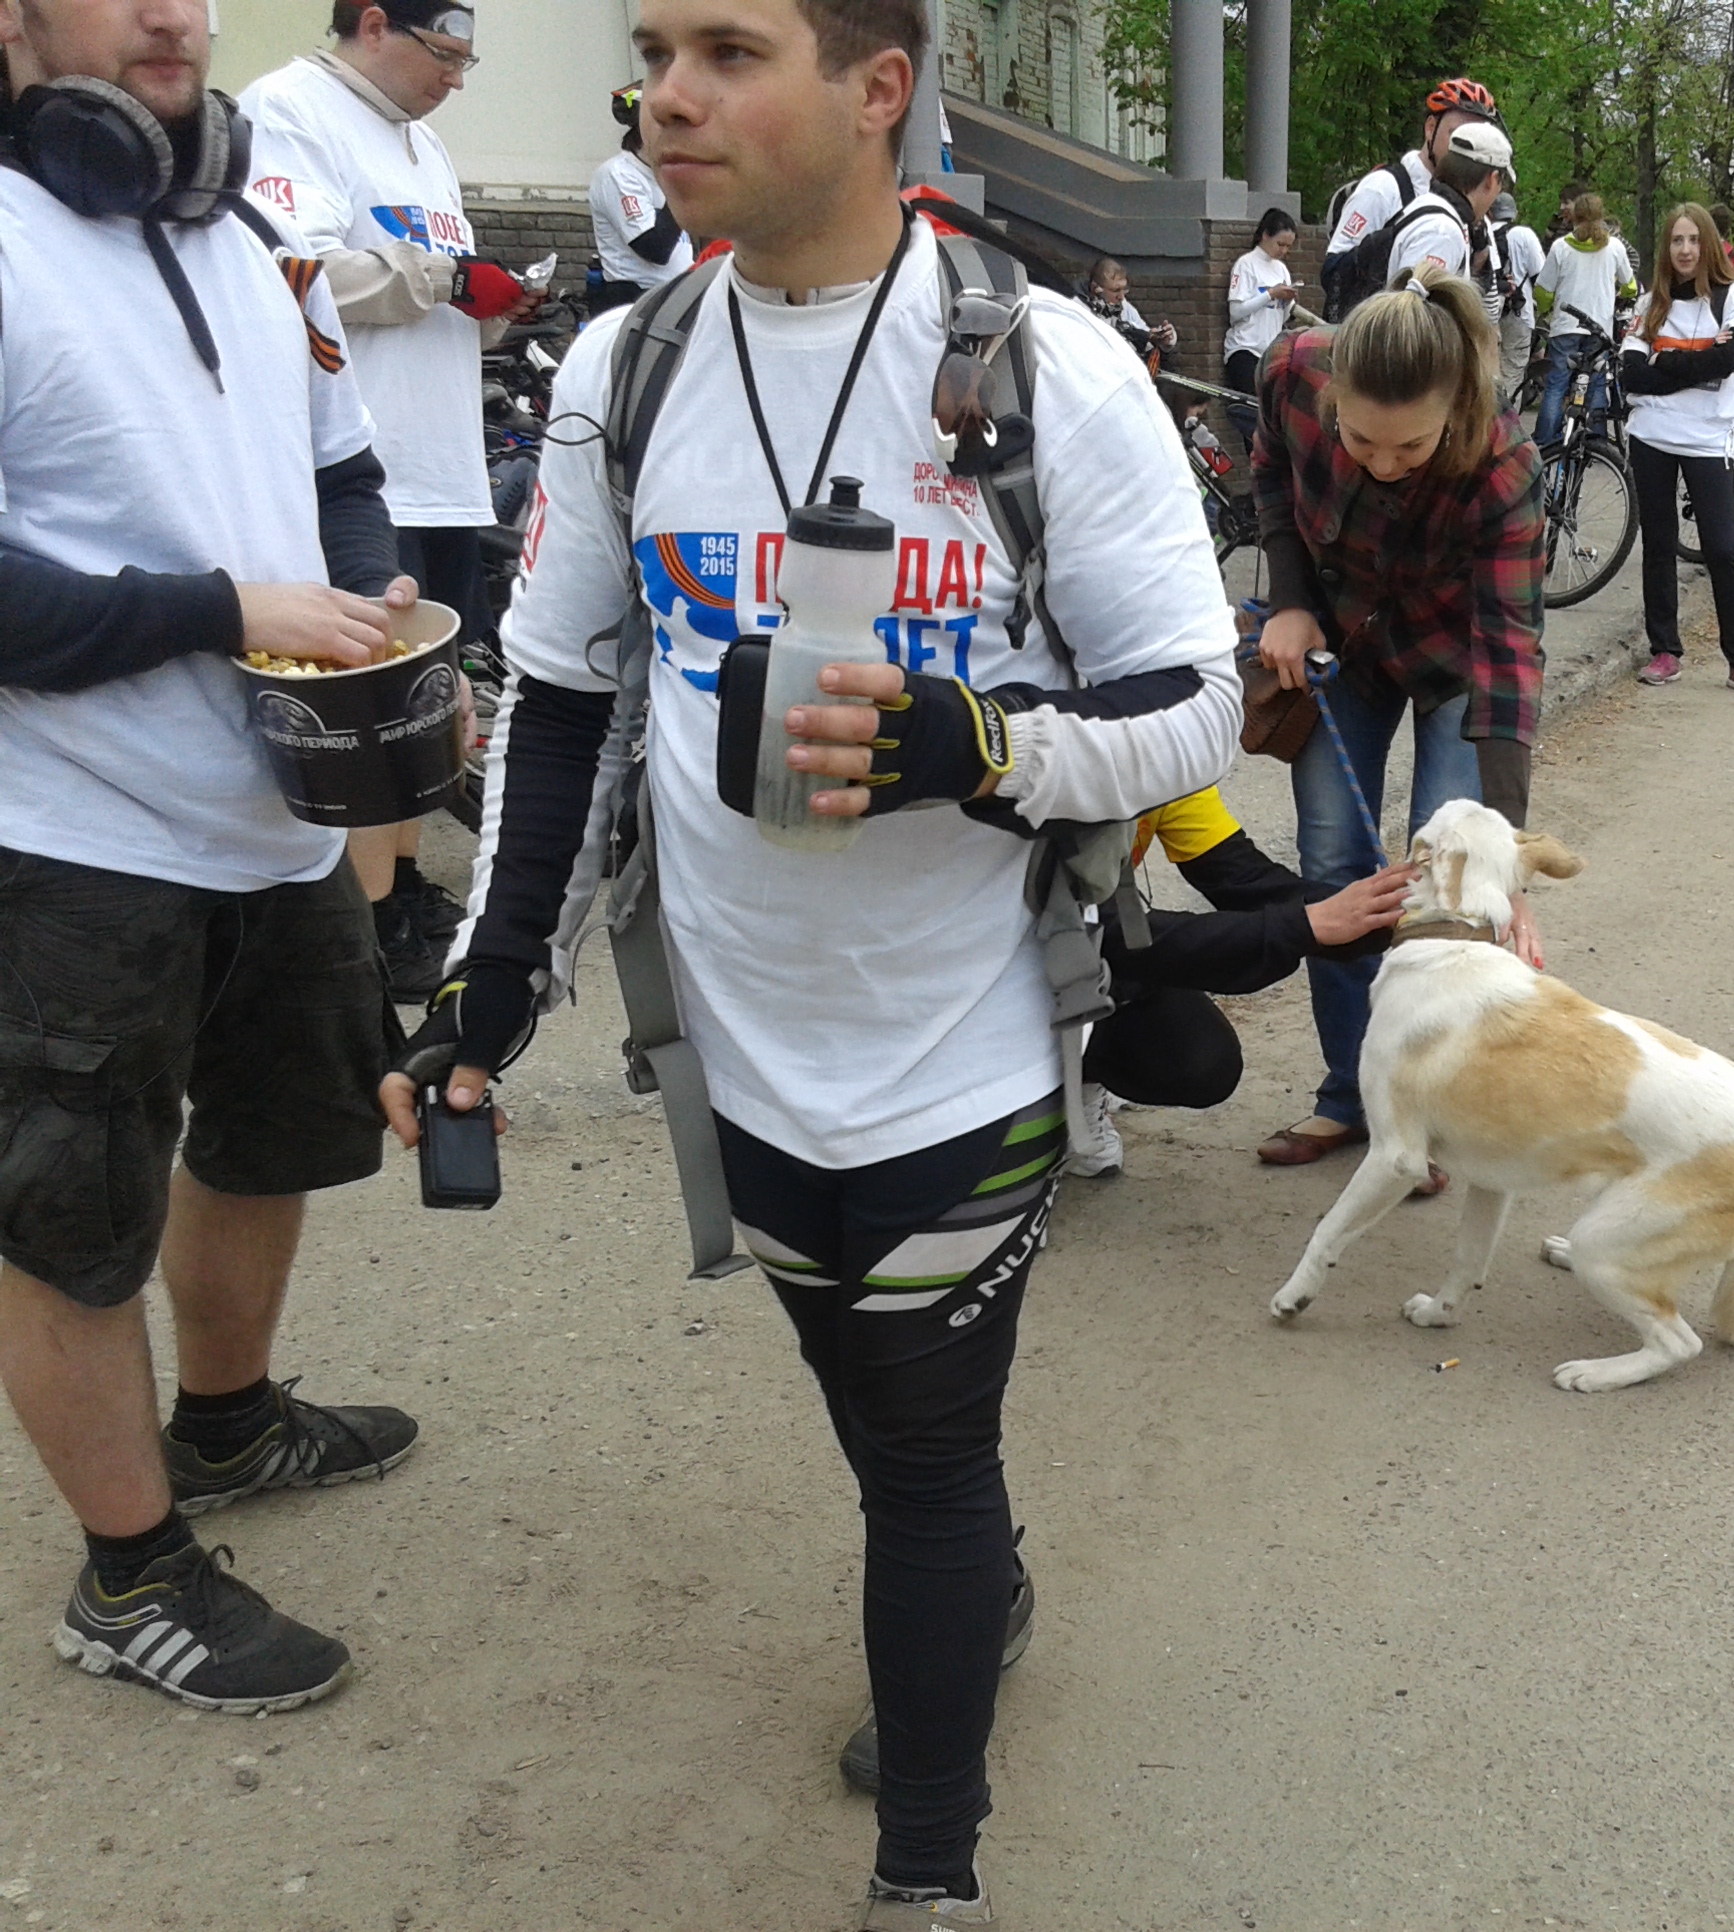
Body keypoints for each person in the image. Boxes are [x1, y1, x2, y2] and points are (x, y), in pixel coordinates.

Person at [375, 0, 1241, 1919]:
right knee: (871, 1395)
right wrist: (489, 985)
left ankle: (927, 1872)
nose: (665, 95)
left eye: (729, 50)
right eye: (654, 50)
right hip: (733, 1061)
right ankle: (977, 1578)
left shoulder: (1048, 367)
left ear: (875, 89)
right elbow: (566, 693)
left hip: (965, 1048)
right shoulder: (625, 366)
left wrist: (979, 745)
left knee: (922, 1449)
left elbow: (1196, 704)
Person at [1, 0, 424, 1719]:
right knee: (66, 1223)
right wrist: (222, 608)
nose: (175, 12)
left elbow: (344, 472)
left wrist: (376, 602)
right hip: (65, 835)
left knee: (275, 1136)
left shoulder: (243, 233)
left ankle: (230, 1426)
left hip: (271, 815)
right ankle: (130, 1576)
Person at [238, 0, 537, 1001]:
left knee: (425, 706)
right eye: (444, 54)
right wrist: (447, 280)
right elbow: (296, 273)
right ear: (373, 24)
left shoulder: (425, 145)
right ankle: (358, 929)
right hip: (364, 468)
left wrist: (494, 300)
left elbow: (439, 290)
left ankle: (402, 887)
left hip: (442, 464)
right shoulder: (289, 110)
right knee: (362, 710)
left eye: (467, 62)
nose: (455, 78)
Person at [1247, 271, 1545, 1172]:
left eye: (1410, 446)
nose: (1381, 463)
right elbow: (1271, 475)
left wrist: (1506, 859)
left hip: (1457, 661)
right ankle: (1354, 1097)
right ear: (1331, 394)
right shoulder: (1291, 371)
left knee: (1444, 885)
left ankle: (1432, 1113)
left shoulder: (1504, 464)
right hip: (1342, 645)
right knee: (1335, 863)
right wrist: (1289, 600)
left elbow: (1509, 656)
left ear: (1454, 412)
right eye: (1359, 439)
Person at [1070, 790, 1414, 1174]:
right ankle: (1032, 1096)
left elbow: (1241, 877)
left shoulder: (1161, 770)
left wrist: (1381, 918)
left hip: (1081, 944)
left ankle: (1079, 1080)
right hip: (1027, 956)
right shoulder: (1043, 780)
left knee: (1199, 1061)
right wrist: (1302, 926)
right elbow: (1110, 935)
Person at [1623, 204, 1734, 696]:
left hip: (1708, 438)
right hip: (1651, 435)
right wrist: (1697, 360)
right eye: (1676, 241)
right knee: (1659, 544)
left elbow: (1726, 362)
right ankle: (1665, 650)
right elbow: (1630, 374)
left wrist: (1665, 361)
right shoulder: (1651, 303)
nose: (1685, 250)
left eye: (1693, 240)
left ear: (1708, 243)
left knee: (1722, 547)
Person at [1319, 75, 1498, 312]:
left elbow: (1485, 303)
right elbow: (1333, 274)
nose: (1466, 151)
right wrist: (1395, 243)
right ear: (1430, 128)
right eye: (1458, 138)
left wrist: (1480, 259)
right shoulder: (1382, 188)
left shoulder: (1476, 211)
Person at [1531, 190, 1636, 444]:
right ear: (1601, 216)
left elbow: (1542, 290)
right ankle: (1595, 442)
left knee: (1556, 386)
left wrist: (1547, 308)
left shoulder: (1561, 247)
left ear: (1574, 217)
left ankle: (1546, 442)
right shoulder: (1615, 247)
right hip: (1599, 329)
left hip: (1565, 327)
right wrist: (1616, 295)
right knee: (1596, 385)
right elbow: (1630, 286)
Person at [590, 80, 694, 308]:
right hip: (637, 299)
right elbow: (654, 248)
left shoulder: (662, 174)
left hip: (677, 294)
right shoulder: (619, 174)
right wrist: (680, 187)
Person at [1384, 119, 1512, 300]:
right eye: (1501, 184)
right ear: (1492, 179)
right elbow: (1411, 311)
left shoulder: (1428, 205)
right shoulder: (1443, 232)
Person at [1223, 207, 1300, 448]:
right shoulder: (1246, 265)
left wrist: (1286, 301)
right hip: (1246, 348)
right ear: (1265, 235)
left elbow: (1283, 316)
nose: (1283, 251)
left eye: (1288, 246)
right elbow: (1236, 311)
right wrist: (1270, 294)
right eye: (1280, 244)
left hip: (1271, 350)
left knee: (1276, 413)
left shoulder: (1281, 269)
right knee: (1254, 415)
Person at [1492, 191, 1545, 409]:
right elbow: (1541, 276)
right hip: (1517, 312)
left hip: (1485, 311)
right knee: (1512, 373)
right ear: (1514, 213)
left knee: (1487, 371)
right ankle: (1504, 423)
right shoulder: (1523, 235)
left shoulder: (1481, 232)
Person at [1085, 254, 1176, 363]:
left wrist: (1161, 339)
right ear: (1096, 289)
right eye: (1115, 290)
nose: (1121, 296)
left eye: (1124, 289)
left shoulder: (1125, 307)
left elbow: (1142, 330)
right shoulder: (1080, 309)